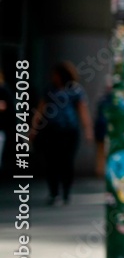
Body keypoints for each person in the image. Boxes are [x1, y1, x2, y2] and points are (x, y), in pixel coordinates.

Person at [29, 62, 93, 205]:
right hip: (52, 130)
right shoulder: (49, 89)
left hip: (69, 131)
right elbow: (40, 110)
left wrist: (88, 130)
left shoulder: (75, 90)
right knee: (52, 162)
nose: (54, 77)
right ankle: (54, 192)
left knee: (67, 162)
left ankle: (65, 191)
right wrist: (33, 129)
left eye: (56, 75)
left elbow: (82, 110)